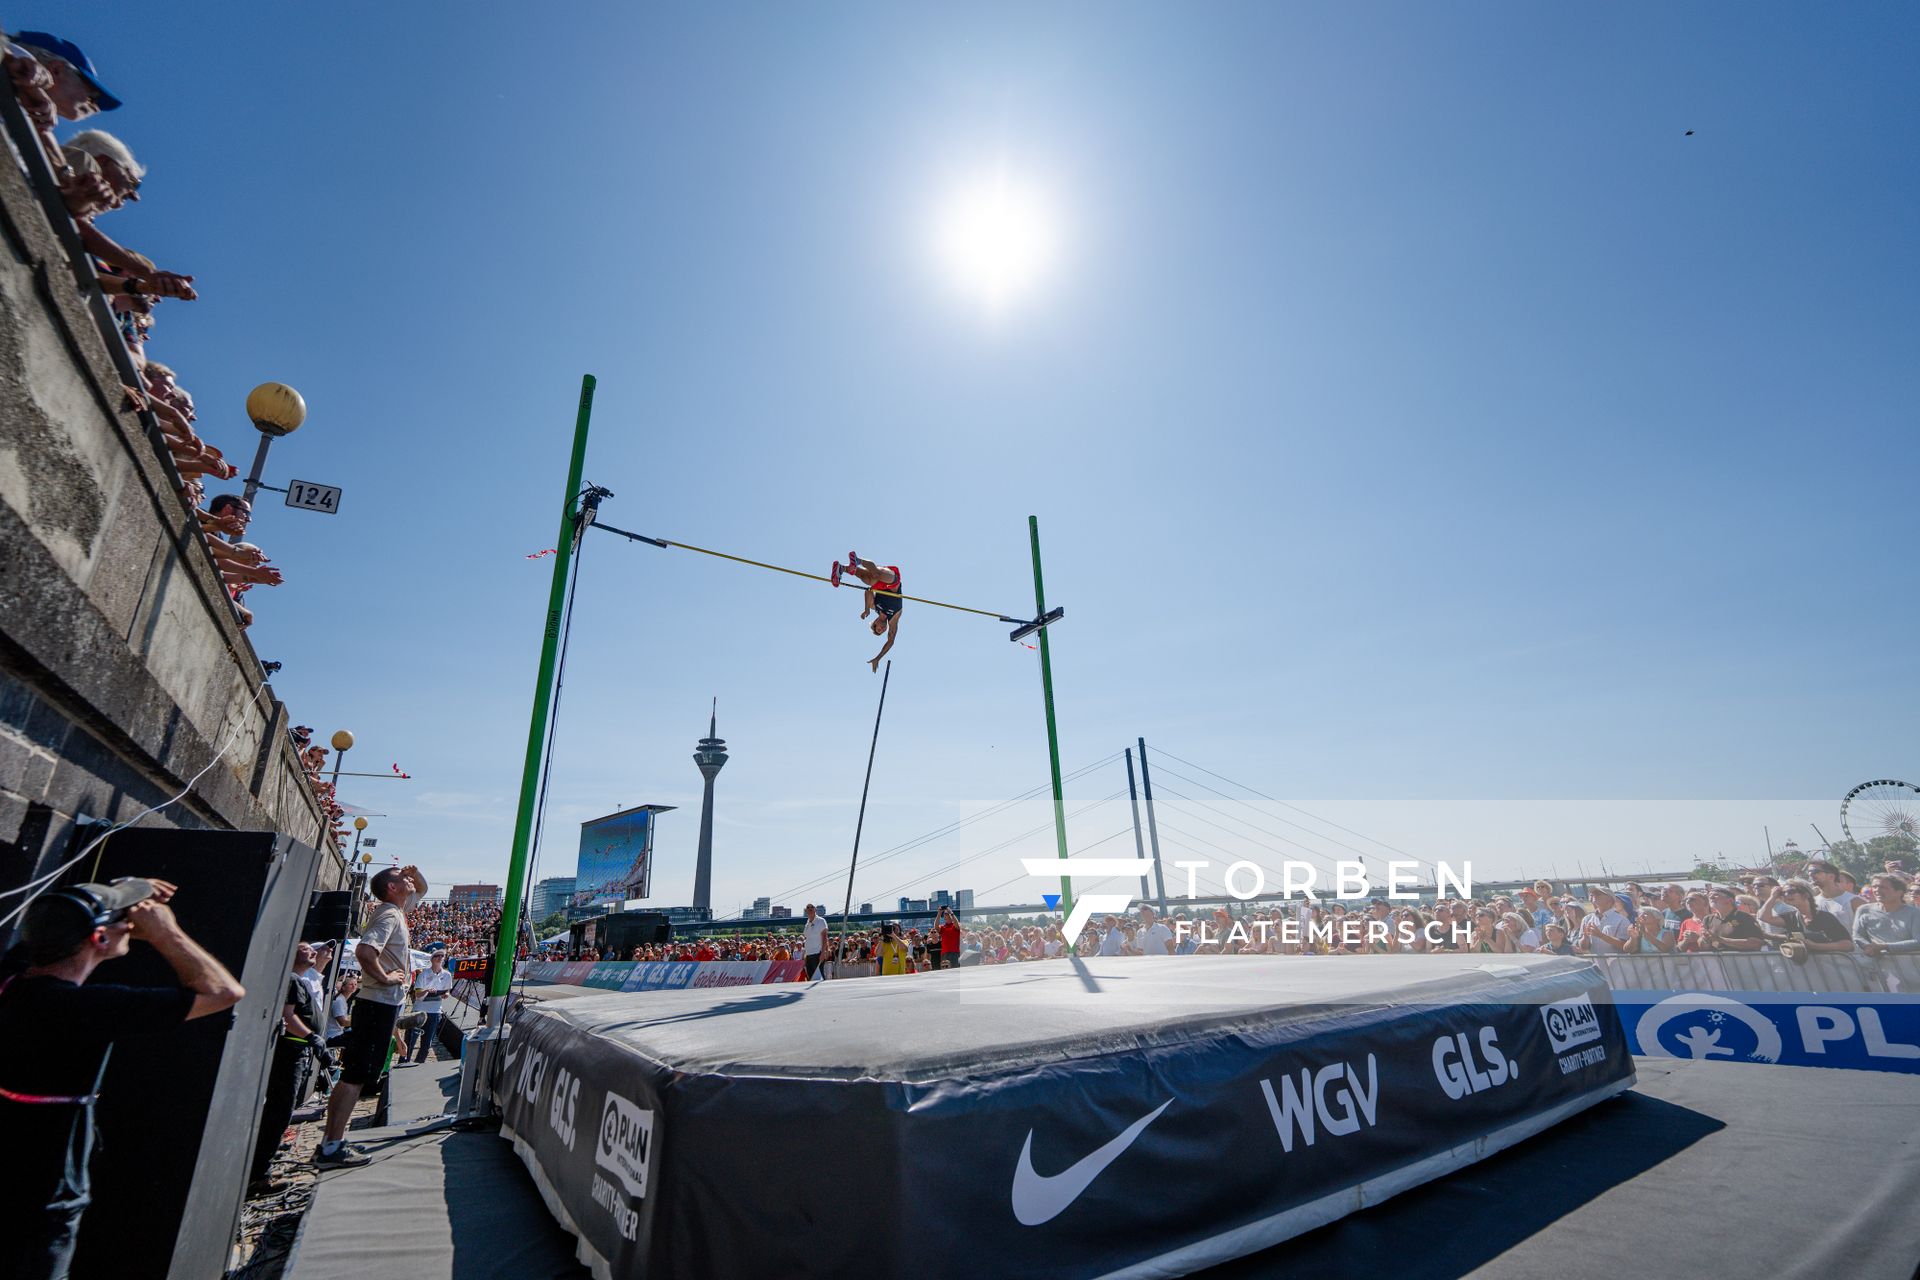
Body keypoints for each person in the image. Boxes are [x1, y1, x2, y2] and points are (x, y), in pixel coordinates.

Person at [0, 878, 244, 1280]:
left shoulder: (12, 981)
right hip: (47, 1193)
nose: (128, 924)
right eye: (119, 919)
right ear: (98, 937)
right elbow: (223, 991)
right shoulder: (86, 1007)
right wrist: (166, 932)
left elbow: (54, 925)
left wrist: (129, 888)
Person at [314, 865, 426, 1168]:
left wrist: (415, 875)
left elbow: (422, 890)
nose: (409, 881)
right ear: (391, 888)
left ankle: (330, 1143)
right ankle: (331, 1147)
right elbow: (365, 951)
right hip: (378, 1003)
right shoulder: (389, 914)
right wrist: (386, 977)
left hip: (380, 1005)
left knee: (355, 1074)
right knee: (356, 1076)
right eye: (403, 879)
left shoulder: (398, 912)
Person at [249, 945, 326, 1195]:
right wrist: (312, 1036)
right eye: (306, 949)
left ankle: (262, 1166)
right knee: (278, 1111)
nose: (313, 952)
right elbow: (287, 1015)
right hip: (291, 1052)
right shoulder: (292, 979)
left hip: (299, 1051)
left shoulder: (302, 979)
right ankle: (258, 1175)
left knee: (282, 1110)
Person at [831, 552, 903, 672]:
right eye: (882, 631)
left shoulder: (875, 607)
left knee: (870, 578)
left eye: (878, 629)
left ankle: (849, 564)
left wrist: (867, 609)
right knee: (872, 577)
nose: (882, 629)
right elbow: (891, 641)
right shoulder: (893, 618)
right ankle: (849, 564)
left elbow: (868, 592)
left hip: (885, 582)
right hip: (892, 584)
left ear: (875, 622)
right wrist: (878, 658)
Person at [1757, 880, 1854, 954]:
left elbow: (1847, 945)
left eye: (1791, 892)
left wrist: (1815, 946)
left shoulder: (1824, 917)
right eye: (1783, 893)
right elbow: (1763, 917)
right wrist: (1773, 896)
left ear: (1805, 895)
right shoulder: (1791, 917)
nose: (1786, 895)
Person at [1852, 874, 1920, 957]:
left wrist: (1885, 947)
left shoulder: (1915, 913)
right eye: (1874, 887)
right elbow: (1858, 936)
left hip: (1909, 966)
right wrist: (1867, 947)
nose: (1877, 890)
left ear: (1899, 892)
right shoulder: (1863, 910)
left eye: (1883, 887)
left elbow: (1918, 942)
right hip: (1875, 966)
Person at [409, 951, 452, 1064]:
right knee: (410, 1040)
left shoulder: (447, 975)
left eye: (441, 956)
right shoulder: (423, 974)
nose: (440, 958)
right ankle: (404, 1061)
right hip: (419, 1011)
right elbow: (417, 996)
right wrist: (427, 991)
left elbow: (447, 992)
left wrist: (445, 994)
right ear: (432, 959)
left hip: (435, 1012)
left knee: (427, 1043)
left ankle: (418, 1064)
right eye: (437, 956)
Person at [1805, 860, 1864, 929]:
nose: (1810, 874)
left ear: (1831, 876)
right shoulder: (1812, 903)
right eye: (1809, 872)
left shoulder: (1854, 901)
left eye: (1815, 871)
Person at [801, 903, 829, 980]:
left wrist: (823, 952)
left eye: (812, 907)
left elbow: (824, 937)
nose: (810, 909)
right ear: (806, 910)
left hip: (817, 953)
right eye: (808, 907)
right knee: (810, 978)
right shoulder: (807, 923)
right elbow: (807, 940)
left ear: (815, 909)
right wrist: (805, 955)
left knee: (819, 977)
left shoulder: (821, 921)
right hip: (809, 954)